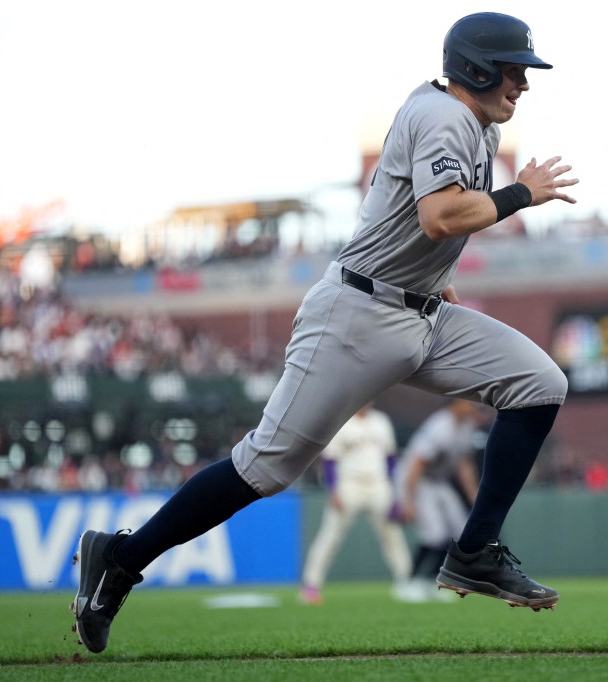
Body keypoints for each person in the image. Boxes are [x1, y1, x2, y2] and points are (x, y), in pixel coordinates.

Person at [70, 11, 577, 653]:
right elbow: (441, 215)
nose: (523, 83)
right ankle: (123, 558)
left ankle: (475, 550)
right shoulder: (447, 115)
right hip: (358, 317)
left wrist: (433, 275)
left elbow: (414, 225)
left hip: (418, 308)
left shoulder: (466, 119)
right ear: (475, 67)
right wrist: (521, 193)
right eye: (513, 69)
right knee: (265, 468)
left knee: (539, 383)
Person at [299, 404, 413, 604]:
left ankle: (407, 582)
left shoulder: (381, 420)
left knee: (392, 535)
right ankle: (311, 585)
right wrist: (333, 490)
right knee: (330, 536)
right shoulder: (342, 422)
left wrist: (395, 492)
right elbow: (330, 461)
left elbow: (390, 459)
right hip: (348, 483)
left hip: (379, 483)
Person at [394, 399, 482, 602]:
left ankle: (433, 581)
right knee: (434, 535)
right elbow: (416, 464)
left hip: (438, 480)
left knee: (460, 533)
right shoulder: (440, 426)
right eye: (468, 401)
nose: (472, 406)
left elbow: (464, 464)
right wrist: (408, 502)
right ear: (455, 403)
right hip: (417, 480)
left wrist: (474, 496)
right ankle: (407, 582)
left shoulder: (467, 425)